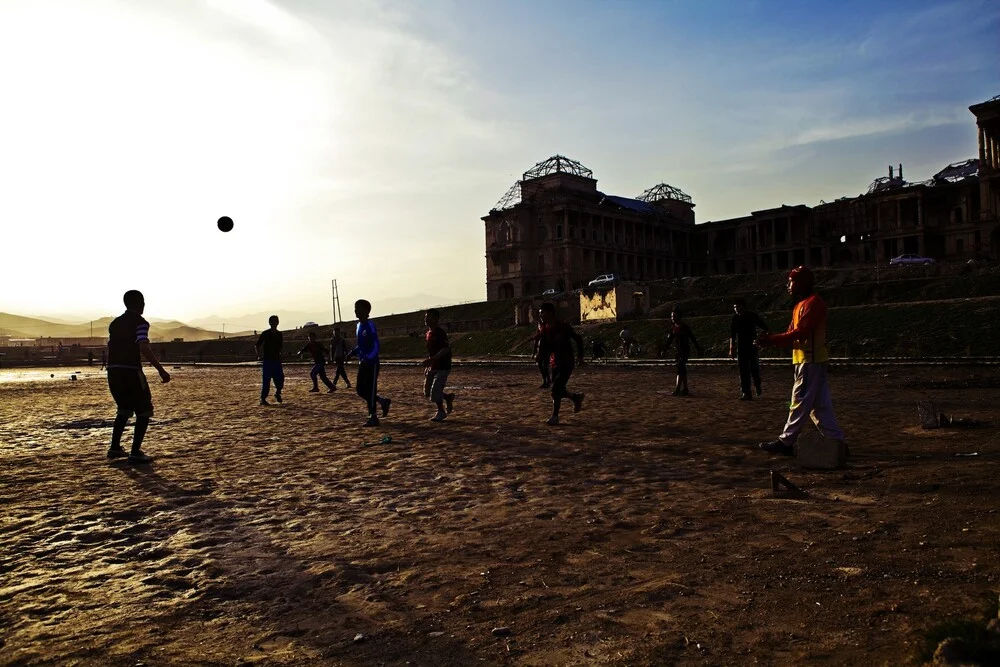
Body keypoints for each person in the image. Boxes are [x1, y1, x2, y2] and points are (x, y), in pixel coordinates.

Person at [757, 266, 847, 456]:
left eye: (791, 281)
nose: (788, 285)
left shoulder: (813, 304)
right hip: (808, 360)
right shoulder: (802, 305)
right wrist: (772, 340)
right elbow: (792, 333)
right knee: (819, 405)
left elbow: (800, 333)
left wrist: (771, 340)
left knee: (799, 401)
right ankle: (837, 441)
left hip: (809, 360)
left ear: (801, 283)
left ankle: (787, 441)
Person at [105, 290, 170, 464]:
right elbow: (143, 346)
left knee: (124, 409)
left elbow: (110, 347)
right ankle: (135, 452)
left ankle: (115, 448)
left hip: (113, 372)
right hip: (131, 371)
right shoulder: (140, 323)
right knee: (144, 409)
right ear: (140, 303)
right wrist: (160, 370)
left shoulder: (115, 323)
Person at [536, 302, 585, 425]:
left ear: (551, 313)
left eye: (542, 313)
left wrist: (580, 355)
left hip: (566, 362)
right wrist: (540, 356)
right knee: (559, 389)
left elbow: (578, 339)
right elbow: (544, 346)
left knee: (555, 389)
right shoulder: (544, 329)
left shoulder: (562, 327)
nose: (541, 315)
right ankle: (576, 397)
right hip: (554, 362)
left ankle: (555, 416)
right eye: (540, 314)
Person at [347, 299, 391, 426]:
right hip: (363, 363)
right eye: (355, 308)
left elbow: (375, 344)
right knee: (360, 390)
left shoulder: (369, 325)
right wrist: (353, 353)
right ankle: (382, 401)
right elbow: (361, 345)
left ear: (366, 311)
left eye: (358, 308)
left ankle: (373, 416)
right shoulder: (358, 326)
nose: (355, 310)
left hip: (372, 364)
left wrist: (369, 357)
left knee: (371, 390)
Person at [730, 298, 769, 400]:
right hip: (741, 347)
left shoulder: (752, 316)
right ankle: (746, 392)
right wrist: (731, 348)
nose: (736, 309)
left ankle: (757, 385)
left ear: (743, 306)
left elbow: (765, 327)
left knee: (753, 369)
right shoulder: (735, 319)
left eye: (738, 306)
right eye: (735, 307)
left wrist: (761, 337)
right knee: (743, 371)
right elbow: (732, 335)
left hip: (752, 347)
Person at [422, 309, 456, 421]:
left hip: (442, 365)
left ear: (436, 319)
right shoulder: (428, 333)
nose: (426, 319)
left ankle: (441, 411)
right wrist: (429, 363)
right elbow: (431, 350)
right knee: (427, 391)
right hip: (433, 365)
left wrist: (433, 359)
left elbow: (446, 349)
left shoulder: (440, 333)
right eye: (426, 317)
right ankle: (447, 397)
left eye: (429, 317)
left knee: (435, 391)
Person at [663, 307, 703, 396]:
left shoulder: (684, 327)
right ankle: (685, 389)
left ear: (679, 316)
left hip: (684, 351)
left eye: (674, 316)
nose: (672, 318)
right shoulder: (673, 328)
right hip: (677, 351)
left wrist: (698, 348)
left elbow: (692, 338)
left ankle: (677, 389)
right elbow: (669, 340)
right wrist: (664, 350)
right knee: (682, 370)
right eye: (671, 316)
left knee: (680, 370)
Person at [255, 315, 284, 405]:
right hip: (267, 361)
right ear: (270, 322)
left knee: (280, 379)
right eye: (273, 321)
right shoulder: (265, 333)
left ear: (278, 322)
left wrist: (280, 353)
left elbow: (280, 347)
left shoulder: (279, 334)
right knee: (266, 381)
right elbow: (257, 345)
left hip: (277, 360)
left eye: (276, 321)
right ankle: (263, 399)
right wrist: (259, 356)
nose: (274, 323)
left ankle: (277, 393)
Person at [532, 318, 550, 389]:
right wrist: (534, 353)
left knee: (544, 366)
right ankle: (545, 381)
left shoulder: (546, 333)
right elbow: (536, 344)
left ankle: (547, 381)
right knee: (541, 367)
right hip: (540, 352)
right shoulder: (538, 334)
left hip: (545, 351)